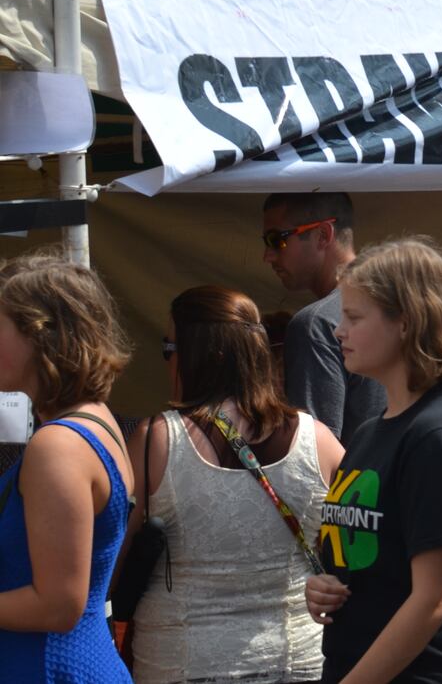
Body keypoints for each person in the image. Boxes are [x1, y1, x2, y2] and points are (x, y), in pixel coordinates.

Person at [126, 286, 344, 682]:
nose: (167, 360)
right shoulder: (320, 440)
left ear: (198, 356)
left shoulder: (157, 440)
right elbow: (358, 539)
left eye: (169, 347)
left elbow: (114, 554)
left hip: (183, 663)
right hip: (296, 660)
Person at [306, 239, 442, 684]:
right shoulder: (374, 431)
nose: (339, 332)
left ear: (406, 323)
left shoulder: (437, 435)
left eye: (353, 317)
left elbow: (434, 600)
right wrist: (327, 587)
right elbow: (368, 561)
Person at [0, 256, 134, 682]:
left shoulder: (58, 445)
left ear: (41, 335)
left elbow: (57, 605)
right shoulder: (94, 418)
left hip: (51, 668)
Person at [262, 192, 385, 440]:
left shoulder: (316, 324)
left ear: (322, 235)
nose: (267, 256)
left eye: (277, 240)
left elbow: (312, 457)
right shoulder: (406, 302)